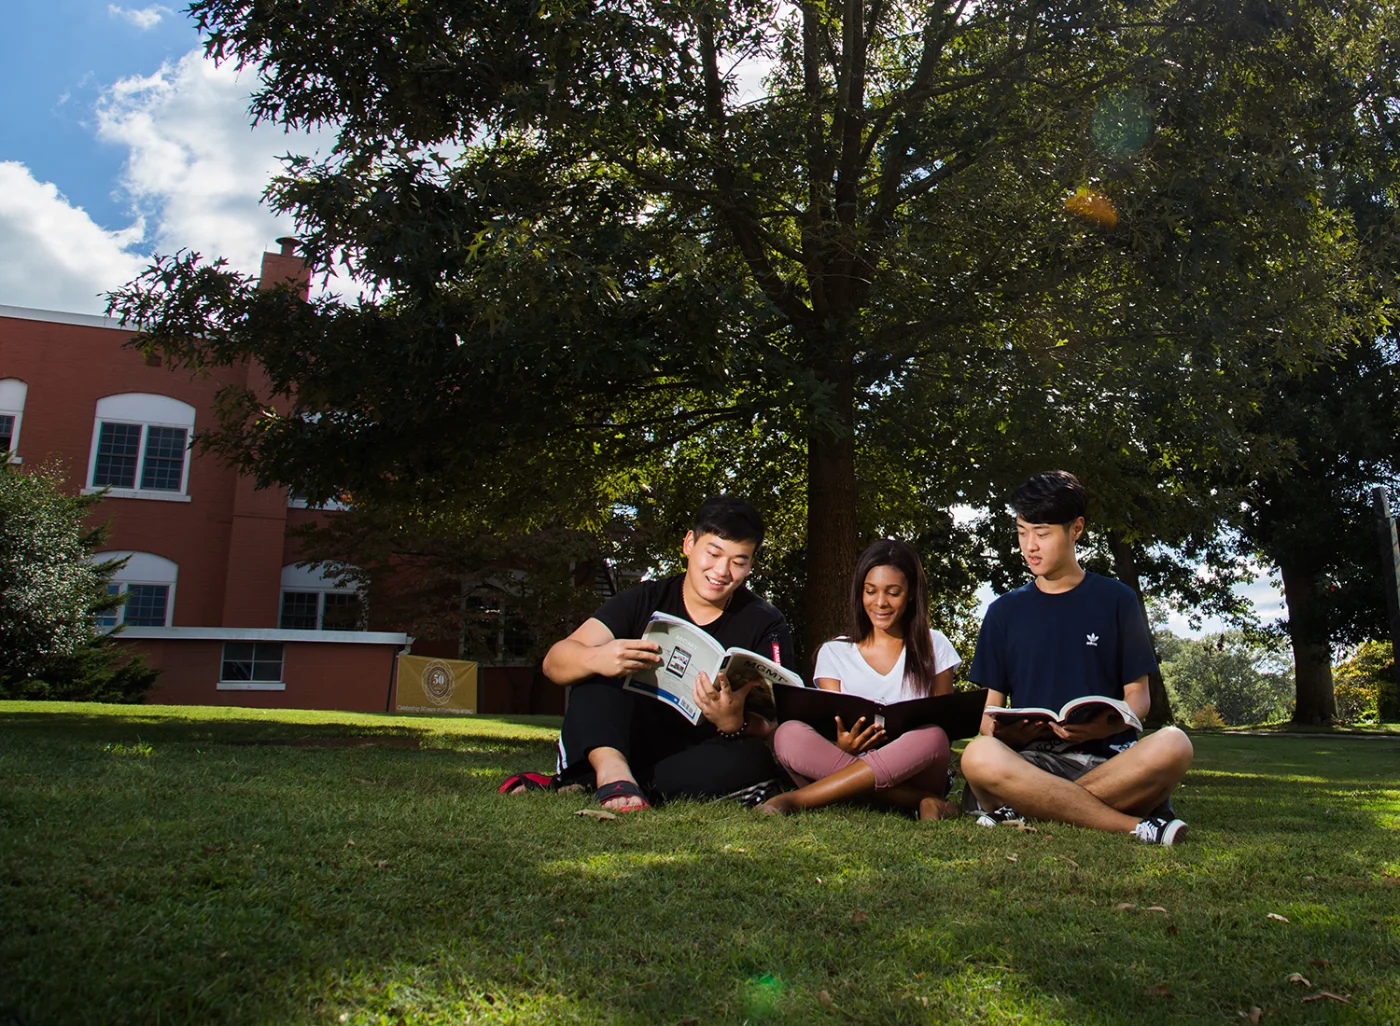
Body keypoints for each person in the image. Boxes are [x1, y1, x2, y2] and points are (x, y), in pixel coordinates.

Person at [959, 471, 1195, 845]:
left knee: (1175, 743)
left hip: (1108, 762)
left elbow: (1140, 698)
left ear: (1076, 529)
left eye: (1042, 532)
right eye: (1022, 532)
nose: (1029, 546)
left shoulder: (1117, 600)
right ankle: (1132, 826)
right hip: (1030, 764)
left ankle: (1023, 811)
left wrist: (1104, 726)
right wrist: (1006, 731)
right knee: (978, 754)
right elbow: (989, 716)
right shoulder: (1004, 611)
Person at [532, 495, 795, 812]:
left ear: (750, 565)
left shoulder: (766, 623)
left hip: (700, 748)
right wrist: (599, 657)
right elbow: (555, 662)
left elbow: (779, 725)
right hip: (628, 736)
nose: (722, 571)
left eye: (739, 562)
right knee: (595, 674)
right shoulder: (644, 599)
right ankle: (613, 771)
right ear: (689, 544)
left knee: (753, 758)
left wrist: (735, 723)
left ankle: (607, 786)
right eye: (713, 554)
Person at [759, 539, 961, 820]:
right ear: (859, 592)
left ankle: (795, 800)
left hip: (913, 768)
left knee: (933, 735)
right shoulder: (835, 652)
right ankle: (919, 802)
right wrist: (842, 746)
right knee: (787, 733)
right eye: (870, 591)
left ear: (912, 594)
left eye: (893, 593)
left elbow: (946, 726)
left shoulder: (934, 644)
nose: (880, 603)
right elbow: (830, 726)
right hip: (848, 759)